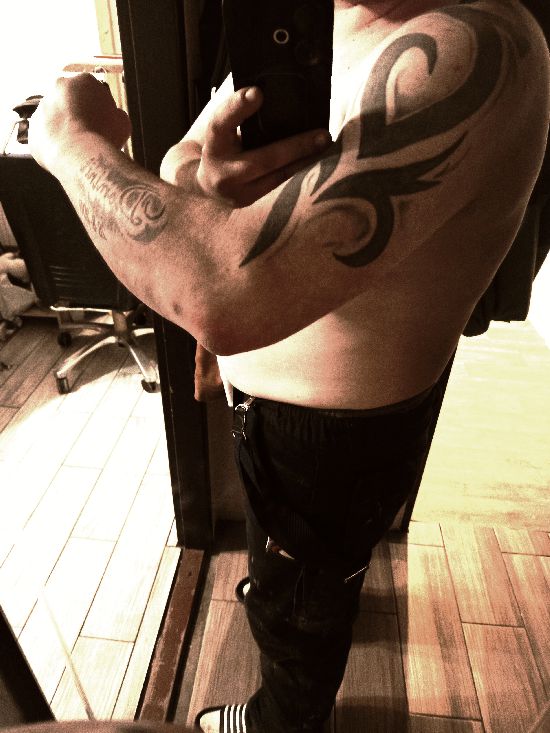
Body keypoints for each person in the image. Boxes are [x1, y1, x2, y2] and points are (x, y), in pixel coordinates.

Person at [29, 1, 549, 731]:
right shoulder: (310, 15)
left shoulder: (467, 48)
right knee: (304, 577)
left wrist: (69, 142)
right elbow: (184, 158)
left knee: (298, 621)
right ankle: (307, 595)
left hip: (334, 443)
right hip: (277, 420)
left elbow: (221, 294)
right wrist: (204, 178)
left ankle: (284, 713)